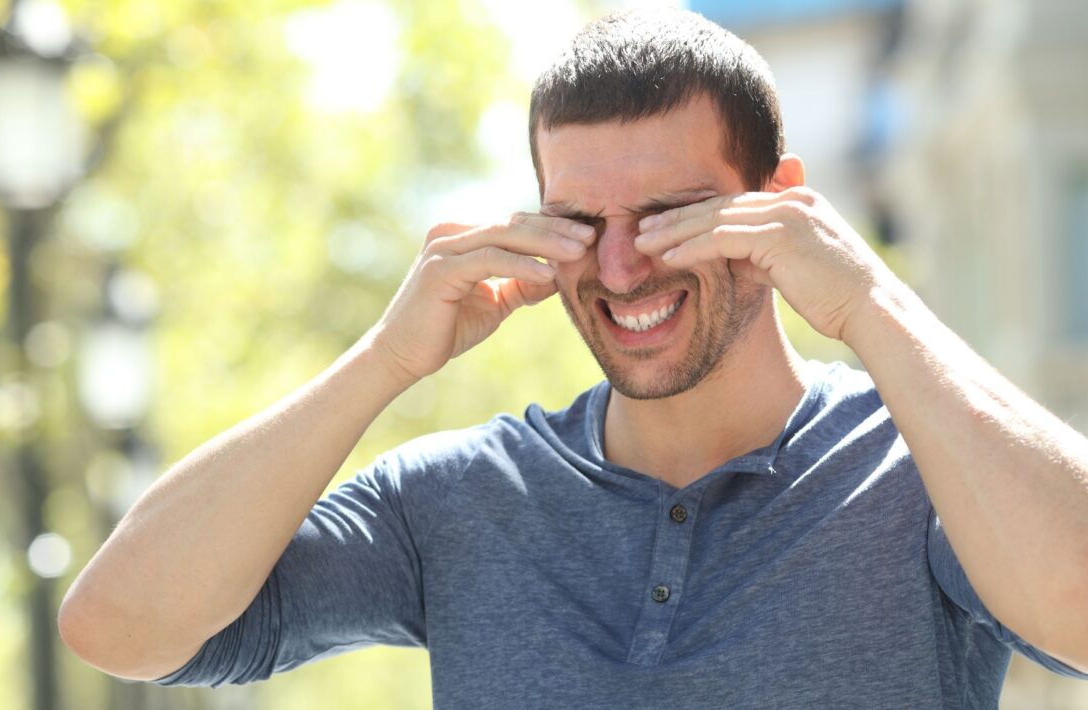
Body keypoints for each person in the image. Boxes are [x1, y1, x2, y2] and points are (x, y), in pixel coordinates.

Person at [58, 8, 1088, 707]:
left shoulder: (921, 468)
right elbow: (119, 626)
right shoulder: (462, 498)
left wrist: (868, 301)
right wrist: (383, 359)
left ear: (778, 204)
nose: (623, 266)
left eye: (672, 214)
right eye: (581, 220)